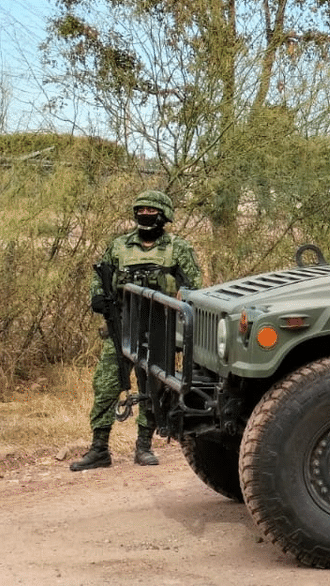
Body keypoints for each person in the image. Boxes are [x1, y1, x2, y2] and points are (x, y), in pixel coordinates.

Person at [70, 190, 203, 471]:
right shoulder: (119, 245)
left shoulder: (178, 248)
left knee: (151, 388)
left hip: (159, 327)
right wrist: (98, 298)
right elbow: (100, 276)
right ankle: (99, 449)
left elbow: (195, 288)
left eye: (151, 211)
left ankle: (144, 446)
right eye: (141, 210)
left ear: (164, 215)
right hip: (121, 325)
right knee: (106, 385)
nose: (145, 215)